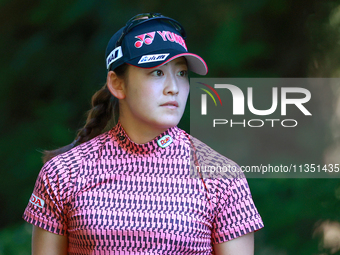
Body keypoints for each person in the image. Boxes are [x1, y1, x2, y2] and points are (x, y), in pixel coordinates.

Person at [23, 13, 264, 254]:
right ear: (117, 84)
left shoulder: (222, 177)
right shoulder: (63, 173)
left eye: (181, 73)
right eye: (157, 72)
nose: (173, 88)